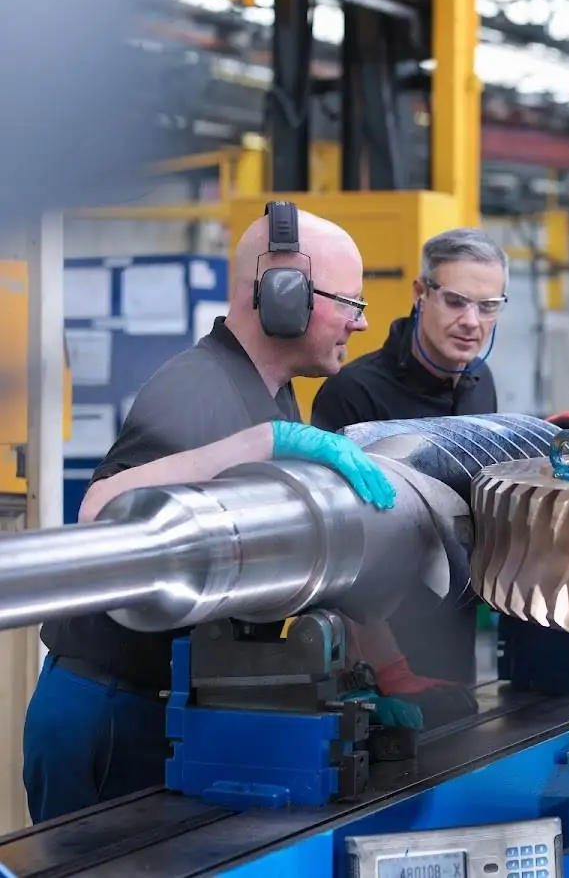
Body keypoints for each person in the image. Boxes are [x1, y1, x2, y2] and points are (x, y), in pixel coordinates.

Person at [23, 202, 397, 824]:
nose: (360, 323)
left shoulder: (272, 396)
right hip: (109, 711)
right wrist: (260, 446)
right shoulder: (196, 385)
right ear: (283, 295)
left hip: (165, 707)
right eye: (349, 302)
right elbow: (97, 513)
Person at [311, 228, 569, 726]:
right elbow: (337, 546)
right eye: (455, 301)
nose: (471, 322)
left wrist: (539, 439)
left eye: (488, 306)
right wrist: (388, 670)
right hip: (378, 660)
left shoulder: (480, 383)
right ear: (420, 293)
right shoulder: (355, 394)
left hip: (452, 635)